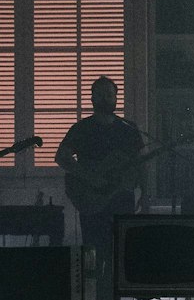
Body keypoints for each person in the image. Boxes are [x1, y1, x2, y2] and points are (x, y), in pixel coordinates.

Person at [56, 76, 151, 273]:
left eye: (109, 95)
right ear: (92, 98)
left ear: (116, 98)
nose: (105, 99)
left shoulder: (129, 129)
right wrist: (89, 177)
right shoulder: (82, 128)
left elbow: (142, 163)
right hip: (92, 199)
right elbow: (62, 157)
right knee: (93, 255)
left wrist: (145, 193)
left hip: (122, 198)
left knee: (120, 253)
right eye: (100, 95)